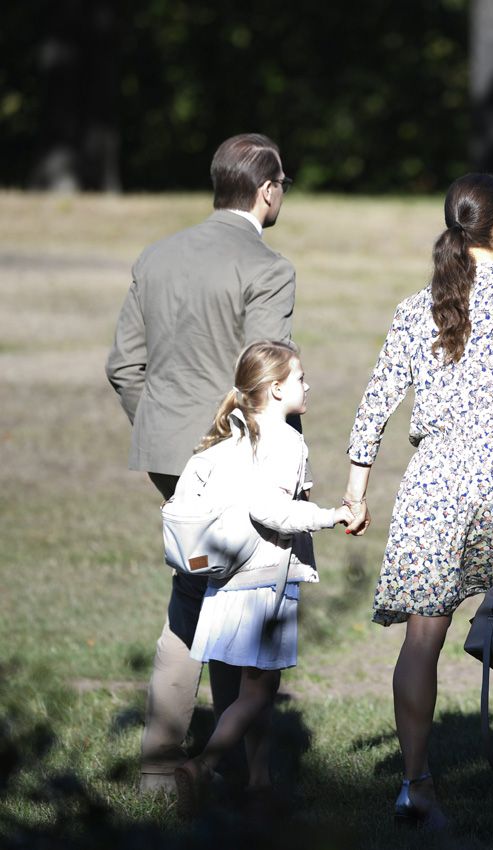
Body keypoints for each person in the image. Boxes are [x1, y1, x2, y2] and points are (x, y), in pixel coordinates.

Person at [343, 173, 493, 826]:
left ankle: (416, 784)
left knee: (422, 640)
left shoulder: (418, 307)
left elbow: (374, 405)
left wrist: (356, 495)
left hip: (435, 485)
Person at [105, 133, 297, 793]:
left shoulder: (156, 257)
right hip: (236, 460)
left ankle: (162, 767)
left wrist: (167, 436)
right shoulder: (267, 267)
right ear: (267, 189)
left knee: (195, 594)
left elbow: (123, 366)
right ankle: (248, 775)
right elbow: (268, 380)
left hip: (167, 455)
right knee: (246, 605)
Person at [171, 340, 353, 817]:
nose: (307, 384)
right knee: (256, 693)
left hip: (223, 579)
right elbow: (270, 510)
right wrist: (332, 515)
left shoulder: (232, 437)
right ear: (276, 390)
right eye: (299, 378)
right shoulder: (286, 440)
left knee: (256, 690)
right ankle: (202, 766)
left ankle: (258, 782)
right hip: (263, 581)